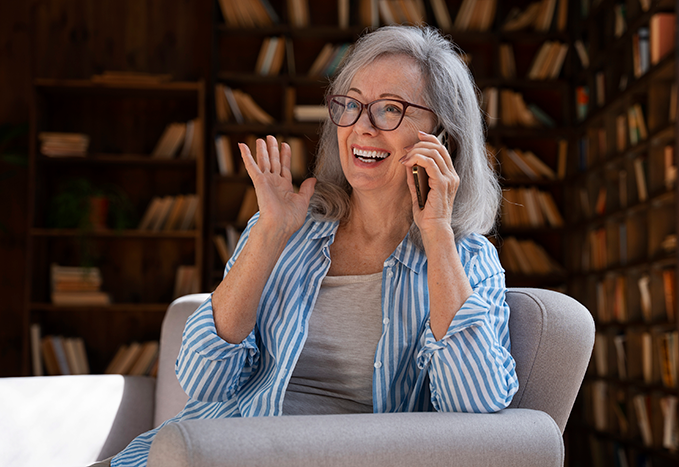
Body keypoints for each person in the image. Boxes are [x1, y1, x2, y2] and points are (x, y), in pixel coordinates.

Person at [107, 24, 518, 467]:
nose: (362, 127)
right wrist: (269, 234)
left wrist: (437, 233)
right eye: (351, 104)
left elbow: (473, 407)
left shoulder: (468, 260)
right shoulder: (288, 230)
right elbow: (204, 380)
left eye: (390, 109)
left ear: (442, 137)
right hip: (216, 448)